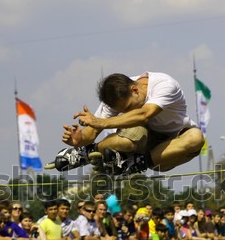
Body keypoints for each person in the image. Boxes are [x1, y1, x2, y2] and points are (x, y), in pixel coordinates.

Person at [51, 72, 204, 175]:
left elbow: (144, 114)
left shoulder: (164, 84)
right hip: (144, 139)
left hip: (170, 147)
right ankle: (85, 153)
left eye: (128, 107)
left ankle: (136, 163)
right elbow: (91, 132)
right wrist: (79, 139)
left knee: (196, 137)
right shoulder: (114, 97)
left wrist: (101, 122)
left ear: (135, 90)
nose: (126, 112)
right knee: (131, 134)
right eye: (121, 110)